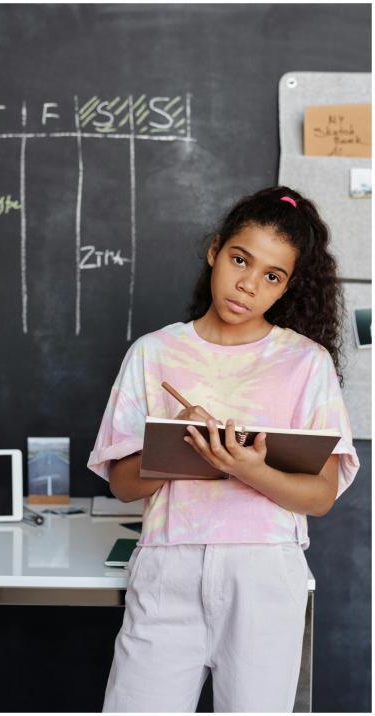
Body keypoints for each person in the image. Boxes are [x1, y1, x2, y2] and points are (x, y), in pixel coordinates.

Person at [87, 186, 360, 713]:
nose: (247, 285)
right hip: (168, 568)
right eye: (240, 259)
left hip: (263, 574)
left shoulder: (306, 363)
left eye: (271, 276)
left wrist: (246, 468)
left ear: (286, 288)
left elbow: (321, 495)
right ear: (215, 250)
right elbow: (122, 484)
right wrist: (180, 448)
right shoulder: (154, 352)